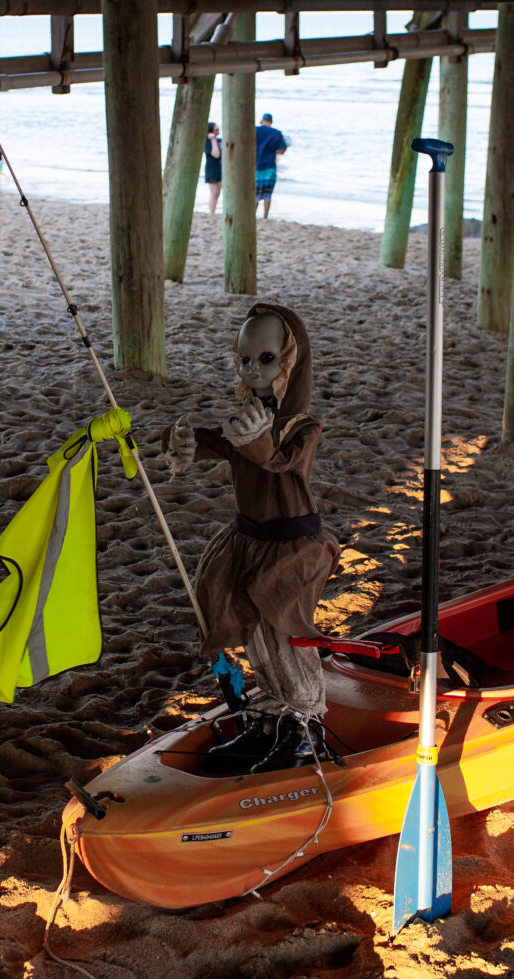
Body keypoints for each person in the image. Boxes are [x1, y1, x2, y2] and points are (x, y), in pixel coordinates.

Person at [163, 303, 340, 774]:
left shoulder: (303, 427)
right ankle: (273, 722)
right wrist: (185, 442)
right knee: (254, 635)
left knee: (282, 634)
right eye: (244, 359)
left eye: (265, 359)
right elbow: (217, 443)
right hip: (248, 538)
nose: (252, 369)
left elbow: (282, 462)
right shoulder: (248, 419)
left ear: (290, 362)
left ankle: (305, 729)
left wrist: (254, 440)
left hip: (291, 547)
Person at [255, 113, 288, 220]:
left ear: (262, 121)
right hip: (269, 165)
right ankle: (265, 216)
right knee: (267, 193)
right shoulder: (277, 133)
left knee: (255, 193)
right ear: (271, 122)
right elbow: (282, 150)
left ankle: (252, 214)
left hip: (255, 165)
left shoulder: (255, 130)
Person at [204, 122, 222, 215]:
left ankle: (213, 211)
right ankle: (211, 212)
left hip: (220, 169)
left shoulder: (220, 141)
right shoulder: (208, 142)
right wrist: (213, 140)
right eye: (216, 129)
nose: (218, 131)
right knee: (214, 192)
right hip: (212, 169)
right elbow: (216, 154)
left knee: (217, 192)